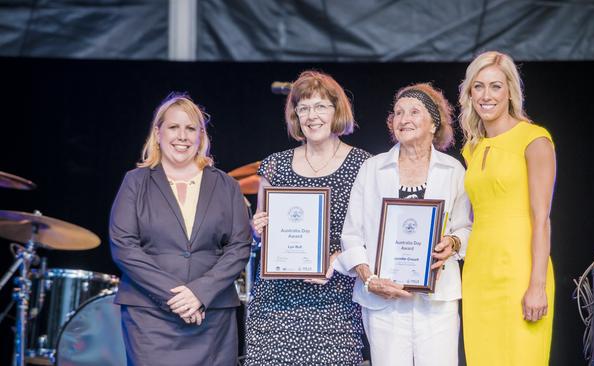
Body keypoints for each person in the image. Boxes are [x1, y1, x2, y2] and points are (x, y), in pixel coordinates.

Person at [109, 93, 251, 366]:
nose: (182, 136)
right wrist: (177, 296)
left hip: (212, 315)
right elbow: (123, 246)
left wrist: (199, 293)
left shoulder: (227, 185)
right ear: (158, 133)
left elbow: (239, 247)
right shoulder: (135, 182)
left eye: (191, 128)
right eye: (174, 127)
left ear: (201, 136)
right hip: (149, 315)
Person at [336, 83, 472, 366]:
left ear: (434, 123)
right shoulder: (371, 169)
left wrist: (454, 243)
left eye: (413, 112)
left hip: (437, 302)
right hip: (384, 301)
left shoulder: (453, 170)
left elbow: (466, 228)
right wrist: (370, 280)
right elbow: (351, 235)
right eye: (398, 113)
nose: (403, 119)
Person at [246, 70, 372, 365]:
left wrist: (336, 258)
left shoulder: (363, 165)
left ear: (336, 110)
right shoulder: (274, 166)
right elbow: (261, 236)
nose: (311, 115)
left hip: (334, 307)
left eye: (320, 106)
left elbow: (372, 237)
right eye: (303, 108)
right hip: (275, 306)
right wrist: (257, 230)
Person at [459, 51, 556, 365]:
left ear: (511, 91)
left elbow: (542, 220)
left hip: (520, 273)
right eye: (479, 86)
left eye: (496, 86)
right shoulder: (471, 148)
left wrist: (537, 286)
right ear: (469, 93)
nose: (486, 95)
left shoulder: (534, 139)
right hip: (477, 274)